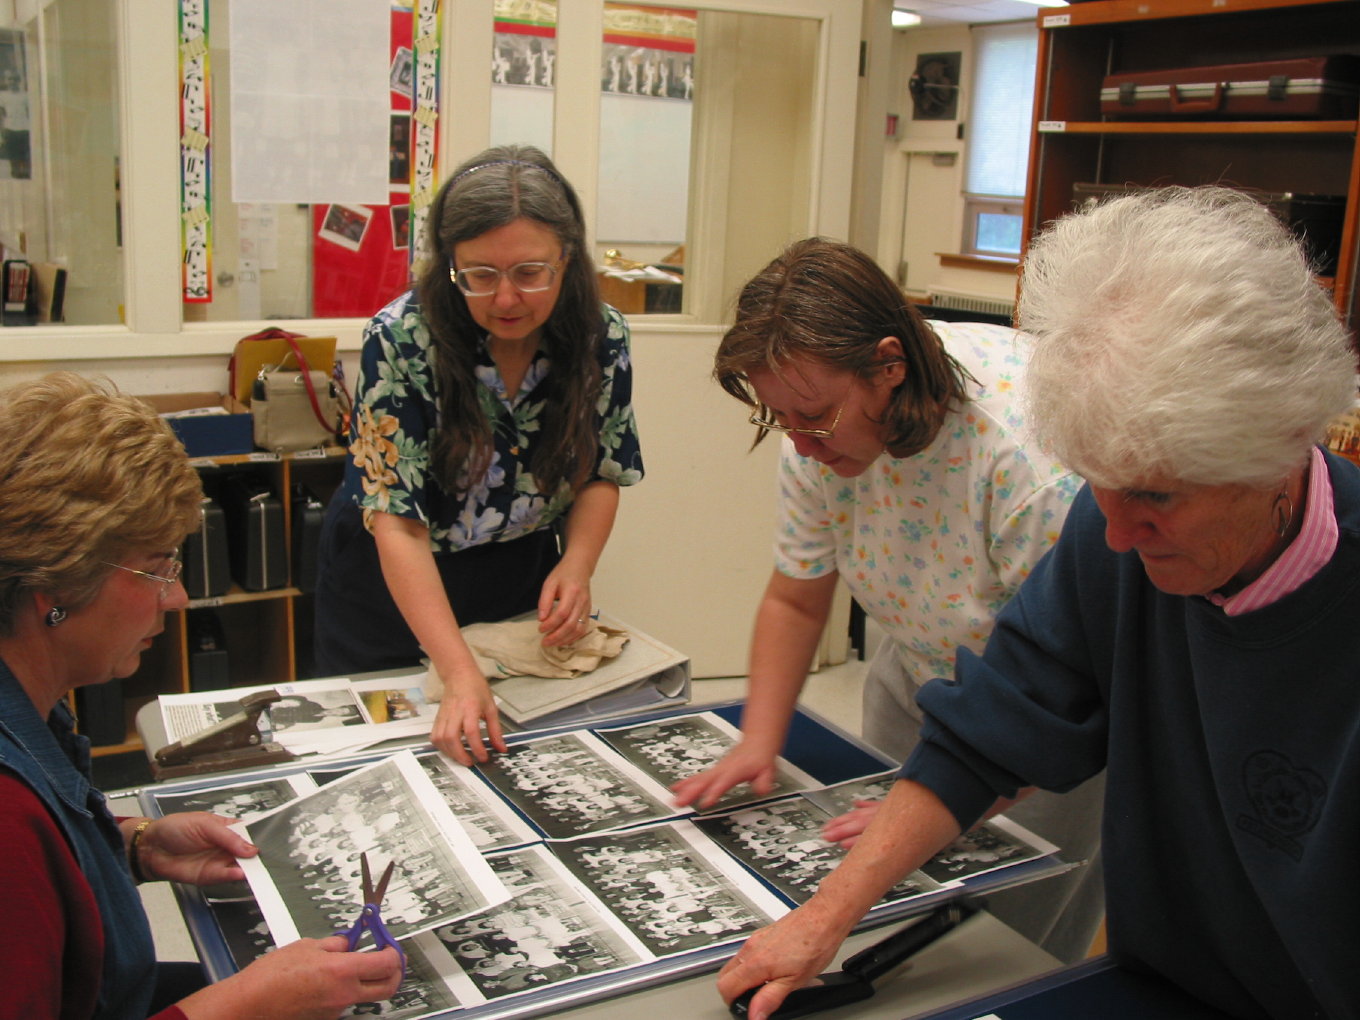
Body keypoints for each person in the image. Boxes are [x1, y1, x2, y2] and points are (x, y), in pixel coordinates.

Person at [716, 186, 1360, 1020]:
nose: (1117, 536)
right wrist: (826, 917)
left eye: (1154, 498)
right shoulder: (1111, 527)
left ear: (1276, 452)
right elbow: (996, 724)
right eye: (1101, 490)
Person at [670, 237, 1101, 962]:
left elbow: (1057, 695)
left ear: (889, 367)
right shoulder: (812, 419)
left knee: (998, 951)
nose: (802, 445)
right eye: (783, 421)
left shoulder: (1029, 463)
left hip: (1049, 715)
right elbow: (797, 598)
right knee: (887, 916)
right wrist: (758, 738)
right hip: (919, 669)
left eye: (815, 420)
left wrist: (930, 811)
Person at [0, 373, 404, 1020]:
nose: (179, 597)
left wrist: (136, 844)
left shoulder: (29, 700)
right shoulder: (6, 826)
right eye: (158, 569)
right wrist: (245, 1005)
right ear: (56, 591)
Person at [314, 144, 644, 765]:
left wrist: (576, 565)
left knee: (508, 751)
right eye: (480, 276)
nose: (507, 300)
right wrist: (458, 670)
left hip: (515, 574)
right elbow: (395, 522)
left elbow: (600, 469)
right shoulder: (402, 338)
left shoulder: (602, 335)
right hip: (394, 579)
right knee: (386, 756)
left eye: (530, 272)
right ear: (449, 267)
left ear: (567, 259)